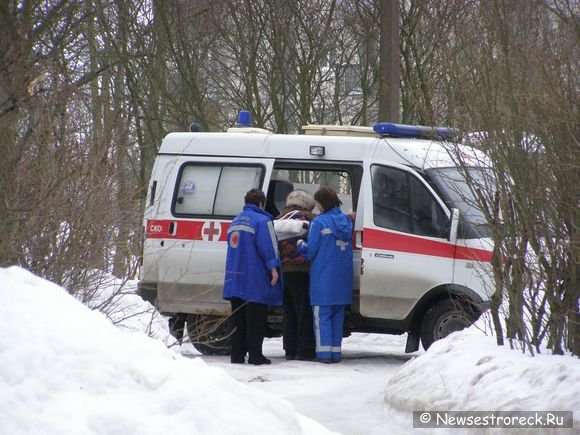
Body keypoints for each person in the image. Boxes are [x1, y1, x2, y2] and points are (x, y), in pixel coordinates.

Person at [223, 188, 283, 365]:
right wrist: (273, 269)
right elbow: (268, 247)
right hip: (254, 278)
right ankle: (256, 355)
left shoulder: (235, 221)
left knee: (238, 320)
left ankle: (237, 355)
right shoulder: (263, 220)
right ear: (261, 203)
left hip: (234, 277)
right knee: (255, 319)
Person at [297, 186, 353, 363]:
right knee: (337, 318)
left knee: (322, 318)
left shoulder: (319, 223)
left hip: (323, 279)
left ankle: (323, 355)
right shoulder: (346, 221)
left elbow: (310, 250)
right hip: (343, 281)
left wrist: (300, 243)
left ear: (322, 203)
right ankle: (335, 354)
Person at [274, 190, 317, 361]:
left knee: (289, 311)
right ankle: (305, 349)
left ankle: (290, 349)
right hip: (303, 271)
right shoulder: (310, 219)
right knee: (304, 310)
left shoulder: (279, 219)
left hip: (283, 271)